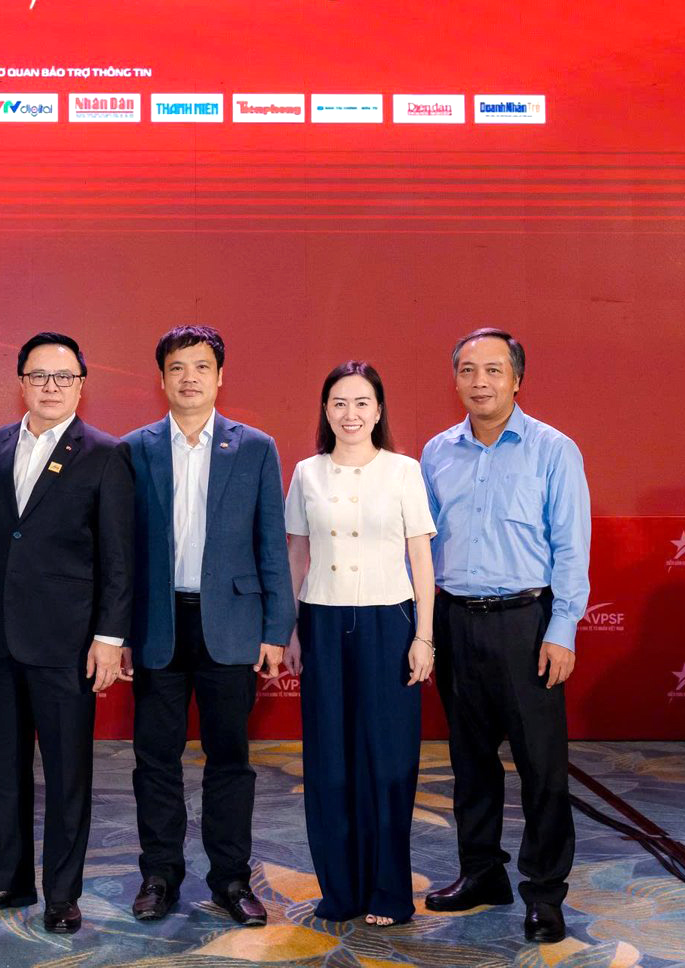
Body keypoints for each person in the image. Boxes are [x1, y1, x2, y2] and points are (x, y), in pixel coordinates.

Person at [0, 331, 133, 935]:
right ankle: (4, 880)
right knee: (1, 768)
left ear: (81, 385)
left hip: (68, 643)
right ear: (21, 382)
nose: (50, 387)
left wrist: (110, 637)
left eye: (63, 377)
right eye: (39, 376)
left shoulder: (105, 453)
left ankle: (62, 893)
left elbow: (118, 557)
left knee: (67, 775)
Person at [419, 329, 590, 944]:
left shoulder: (554, 450)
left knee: (541, 768)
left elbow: (571, 547)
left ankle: (544, 892)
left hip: (527, 623)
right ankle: (481, 873)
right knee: (469, 762)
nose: (480, 381)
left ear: (517, 379)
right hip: (455, 621)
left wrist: (562, 629)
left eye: (493, 370)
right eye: (468, 370)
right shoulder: (435, 453)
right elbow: (421, 549)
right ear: (455, 380)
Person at [122, 325, 292, 926]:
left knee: (230, 759)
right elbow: (122, 550)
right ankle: (159, 874)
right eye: (177, 367)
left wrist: (276, 630)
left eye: (201, 367)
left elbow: (271, 542)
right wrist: (118, 632)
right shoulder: (134, 448)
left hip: (232, 623)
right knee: (155, 759)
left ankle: (231, 879)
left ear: (220, 377)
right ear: (161, 378)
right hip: (158, 623)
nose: (189, 377)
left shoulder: (255, 448)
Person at [283, 361, 436, 926]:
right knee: (328, 763)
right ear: (326, 411)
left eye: (362, 402)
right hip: (322, 622)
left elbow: (421, 559)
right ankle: (341, 891)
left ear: (378, 411)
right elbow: (297, 554)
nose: (350, 414)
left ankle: (389, 892)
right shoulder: (307, 473)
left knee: (388, 762)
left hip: (388, 622)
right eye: (339, 403)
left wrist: (424, 636)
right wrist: (290, 629)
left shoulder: (403, 471)